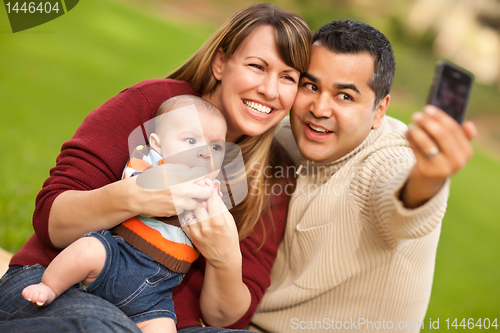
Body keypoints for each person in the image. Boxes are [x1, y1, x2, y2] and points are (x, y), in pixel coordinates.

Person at [0, 4, 311, 333]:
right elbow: (51, 221)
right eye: (256, 66)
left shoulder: (273, 172)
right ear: (221, 63)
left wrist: (226, 258)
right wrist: (134, 196)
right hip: (64, 284)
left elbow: (227, 319)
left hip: (160, 316)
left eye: (288, 77)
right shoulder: (152, 107)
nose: (270, 90)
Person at [249, 20, 476, 333]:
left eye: (344, 96)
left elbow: (404, 202)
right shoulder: (286, 136)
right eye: (311, 86)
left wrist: (428, 177)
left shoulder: (390, 159)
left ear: (379, 111)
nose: (319, 108)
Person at [21, 95, 227, 333]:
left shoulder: (214, 190)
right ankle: (50, 286)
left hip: (157, 291)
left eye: (215, 147)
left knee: (164, 327)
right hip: (117, 256)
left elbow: (215, 228)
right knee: (87, 250)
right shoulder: (148, 165)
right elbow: (134, 184)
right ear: (157, 145)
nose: (204, 153)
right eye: (191, 140)